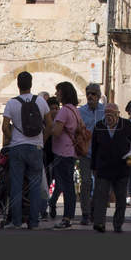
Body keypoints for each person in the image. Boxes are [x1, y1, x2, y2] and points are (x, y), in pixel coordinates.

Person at [1, 71, 49, 230]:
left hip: (17, 148)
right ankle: (34, 222)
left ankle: (16, 221)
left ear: (18, 85)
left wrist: (12, 138)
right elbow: (50, 125)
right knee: (35, 185)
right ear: (31, 83)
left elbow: (4, 127)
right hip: (36, 147)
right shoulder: (41, 101)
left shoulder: (12, 103)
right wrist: (42, 139)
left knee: (17, 185)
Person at [88, 99, 131, 232]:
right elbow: (94, 148)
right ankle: (99, 223)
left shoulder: (127, 125)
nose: (108, 115)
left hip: (121, 167)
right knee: (101, 197)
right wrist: (93, 167)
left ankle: (118, 223)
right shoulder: (99, 126)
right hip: (103, 167)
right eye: (106, 113)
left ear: (118, 114)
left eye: (111, 113)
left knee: (121, 198)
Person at [45, 82, 82, 229]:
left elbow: (57, 132)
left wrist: (50, 124)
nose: (56, 94)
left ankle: (67, 217)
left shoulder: (64, 111)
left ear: (63, 93)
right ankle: (68, 216)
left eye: (58, 91)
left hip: (62, 152)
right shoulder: (74, 110)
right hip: (70, 151)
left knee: (66, 186)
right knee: (68, 185)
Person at [74, 82, 106, 223]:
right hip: (85, 152)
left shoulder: (105, 111)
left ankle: (95, 210)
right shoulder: (81, 111)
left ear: (98, 96)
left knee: (99, 184)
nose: (90, 96)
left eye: (93, 94)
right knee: (86, 182)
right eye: (88, 94)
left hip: (101, 153)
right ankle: (85, 213)